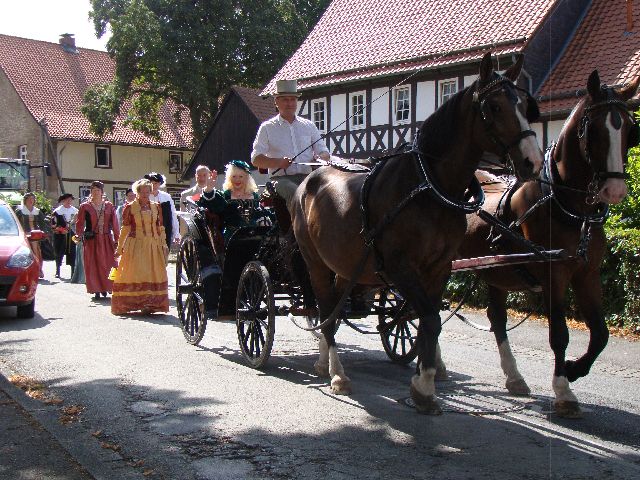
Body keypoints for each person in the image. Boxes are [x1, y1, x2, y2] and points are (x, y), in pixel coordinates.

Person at [251, 79, 330, 208]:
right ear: (276, 102)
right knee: (296, 193)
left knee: (330, 191)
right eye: (285, 100)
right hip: (281, 179)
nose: (290, 103)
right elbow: (256, 159)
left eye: (293, 99)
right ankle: (299, 222)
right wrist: (278, 162)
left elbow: (325, 152)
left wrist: (320, 158)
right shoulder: (267, 128)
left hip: (308, 177)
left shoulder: (309, 125)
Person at [111, 178, 169, 315]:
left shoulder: (156, 206)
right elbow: (125, 228)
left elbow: (160, 227)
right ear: (137, 192)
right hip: (136, 245)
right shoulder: (130, 207)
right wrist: (119, 248)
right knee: (136, 273)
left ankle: (150, 304)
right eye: (142, 192)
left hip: (153, 245)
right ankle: (133, 303)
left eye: (147, 192)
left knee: (153, 273)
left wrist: (164, 244)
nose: (145, 194)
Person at [75, 181, 119, 300]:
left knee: (109, 263)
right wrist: (78, 235)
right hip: (92, 240)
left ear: (102, 192)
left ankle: (107, 287)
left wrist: (117, 239)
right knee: (93, 264)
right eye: (94, 190)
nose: (96, 192)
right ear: (91, 192)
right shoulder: (85, 206)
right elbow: (80, 222)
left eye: (98, 190)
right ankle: (96, 290)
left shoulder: (109, 206)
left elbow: (115, 223)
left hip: (106, 239)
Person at [220, 160, 273, 242]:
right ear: (229, 178)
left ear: (246, 177)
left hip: (253, 236)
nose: (237, 180)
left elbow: (259, 214)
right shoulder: (225, 195)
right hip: (232, 237)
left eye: (241, 176)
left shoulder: (254, 195)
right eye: (234, 176)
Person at [14, 192, 46, 278]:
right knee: (25, 253)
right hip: (23, 234)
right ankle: (25, 272)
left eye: (33, 199)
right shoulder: (20, 211)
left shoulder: (37, 211)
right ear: (25, 200)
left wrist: (43, 232)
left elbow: (43, 224)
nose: (31, 201)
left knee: (36, 251)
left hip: (35, 234)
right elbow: (15, 223)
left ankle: (38, 270)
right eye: (29, 199)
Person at [144, 172, 179, 249]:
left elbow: (173, 214)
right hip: (148, 231)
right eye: (151, 183)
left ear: (160, 184)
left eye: (155, 183)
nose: (153, 185)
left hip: (165, 229)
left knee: (164, 252)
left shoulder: (166, 197)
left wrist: (176, 233)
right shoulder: (144, 197)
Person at [51, 193, 78, 278]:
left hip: (72, 235)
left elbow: (79, 223)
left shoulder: (75, 211)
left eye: (70, 200)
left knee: (72, 253)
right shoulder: (57, 211)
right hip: (60, 235)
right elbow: (53, 224)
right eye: (67, 200)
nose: (69, 201)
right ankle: (57, 270)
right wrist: (60, 230)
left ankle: (73, 271)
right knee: (59, 252)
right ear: (63, 201)